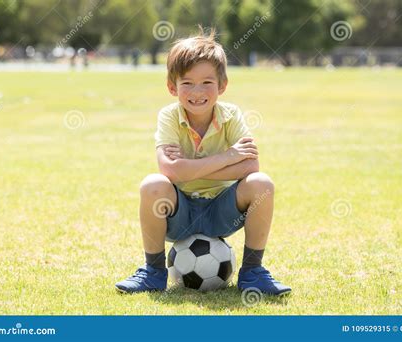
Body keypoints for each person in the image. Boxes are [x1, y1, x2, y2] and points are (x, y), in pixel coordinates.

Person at [116, 28, 291, 296]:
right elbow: (169, 171)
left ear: (222, 86)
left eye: (207, 82)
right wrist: (228, 157)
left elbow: (250, 167)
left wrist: (187, 170)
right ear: (172, 87)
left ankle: (253, 272)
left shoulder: (231, 115)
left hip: (221, 211)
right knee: (153, 184)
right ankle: (153, 272)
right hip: (179, 212)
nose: (197, 91)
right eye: (187, 83)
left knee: (261, 183)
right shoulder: (169, 116)